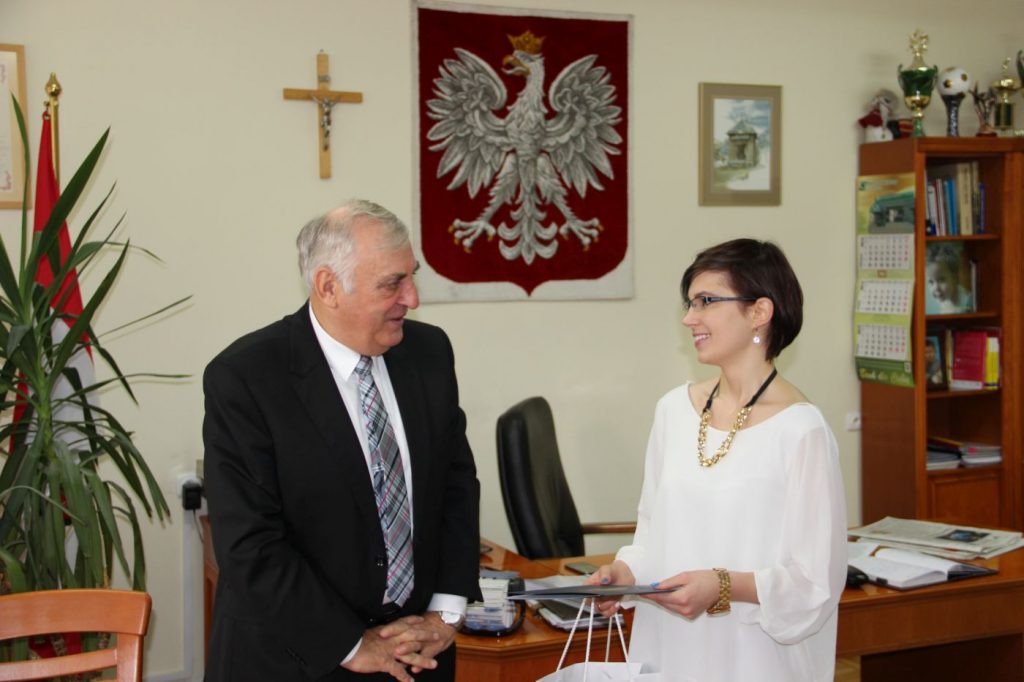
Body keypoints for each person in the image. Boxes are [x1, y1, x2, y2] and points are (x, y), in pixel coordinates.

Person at [203, 199, 481, 682]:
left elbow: (455, 485)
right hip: (296, 656)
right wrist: (350, 645)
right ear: (329, 286)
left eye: (412, 277)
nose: (413, 298)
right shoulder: (246, 377)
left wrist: (446, 611)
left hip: (417, 651)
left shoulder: (429, 353)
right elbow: (250, 544)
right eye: (392, 283)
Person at [587, 239, 847, 681]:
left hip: (755, 658)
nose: (689, 318)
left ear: (759, 312)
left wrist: (723, 586)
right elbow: (652, 531)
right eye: (690, 303)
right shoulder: (673, 410)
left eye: (706, 301)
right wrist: (625, 572)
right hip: (670, 647)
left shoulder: (802, 431)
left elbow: (814, 584)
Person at [925, 243, 973, 314]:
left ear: (955, 277)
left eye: (941, 280)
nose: (935, 288)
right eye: (931, 282)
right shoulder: (944, 299)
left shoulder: (968, 303)